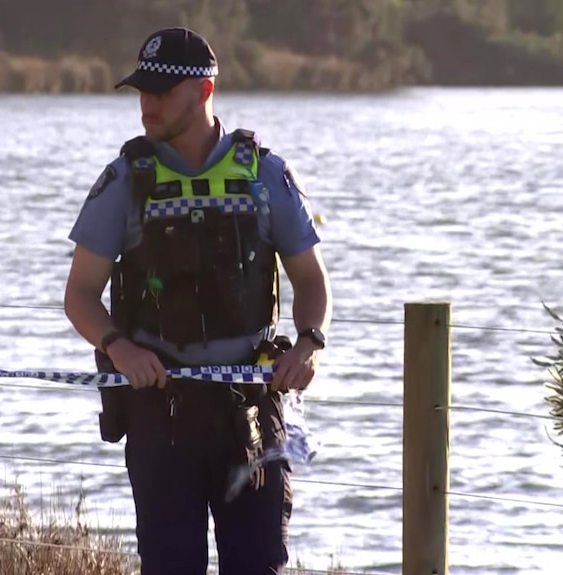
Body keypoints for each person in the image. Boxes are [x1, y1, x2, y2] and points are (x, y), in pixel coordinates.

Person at [63, 26, 332, 575]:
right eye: (141, 91)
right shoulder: (124, 181)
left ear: (205, 91)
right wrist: (119, 348)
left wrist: (309, 344)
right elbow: (80, 296)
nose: (147, 104)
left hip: (251, 411)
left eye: (161, 92)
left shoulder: (265, 175)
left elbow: (311, 280)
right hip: (161, 414)